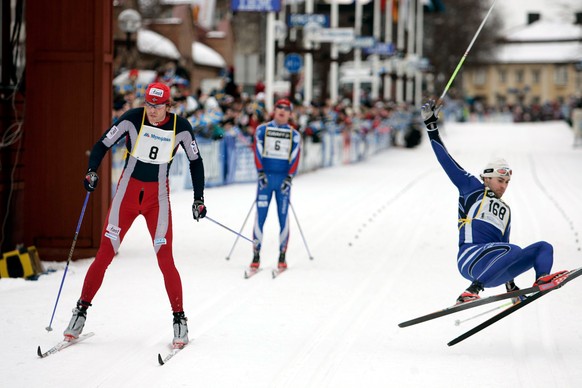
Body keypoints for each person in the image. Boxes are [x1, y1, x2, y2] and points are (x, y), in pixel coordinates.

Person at [64, 82, 206, 348]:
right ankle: (80, 312)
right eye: (149, 105)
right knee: (105, 254)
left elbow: (196, 162)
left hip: (157, 201)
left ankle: (179, 320)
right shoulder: (132, 119)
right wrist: (92, 171)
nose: (152, 111)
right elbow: (101, 145)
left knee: (165, 259)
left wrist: (198, 198)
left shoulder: (181, 127)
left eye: (158, 106)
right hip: (127, 196)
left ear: (168, 105)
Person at [420, 99, 566, 304]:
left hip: (494, 266)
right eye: (500, 180)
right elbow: (447, 161)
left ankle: (541, 280)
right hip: (470, 258)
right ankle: (470, 291)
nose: (504, 186)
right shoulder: (471, 187)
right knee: (513, 249)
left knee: (543, 247)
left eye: (507, 182)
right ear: (486, 178)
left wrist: (511, 286)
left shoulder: (505, 210)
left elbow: (503, 248)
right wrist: (431, 128)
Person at [250, 99, 301, 270]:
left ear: (290, 113)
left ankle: (282, 255)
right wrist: (260, 171)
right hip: (266, 180)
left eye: (287, 108)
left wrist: (289, 177)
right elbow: (256, 150)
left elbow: (295, 157)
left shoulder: (294, 134)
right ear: (274, 109)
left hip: (282, 182)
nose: (282, 110)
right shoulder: (262, 129)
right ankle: (256, 255)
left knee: (283, 217)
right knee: (261, 217)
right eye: (279, 107)